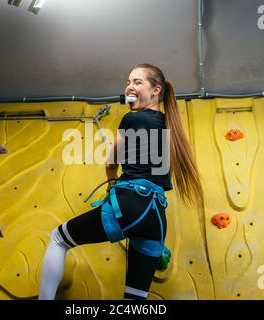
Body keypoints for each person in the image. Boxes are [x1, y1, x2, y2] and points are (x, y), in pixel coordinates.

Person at [38, 63, 204, 300]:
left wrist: (110, 183)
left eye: (137, 82)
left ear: (156, 90)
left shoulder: (131, 119)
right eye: (128, 82)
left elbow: (110, 162)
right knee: (134, 300)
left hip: (130, 203)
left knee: (58, 238)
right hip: (156, 218)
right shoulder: (170, 125)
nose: (129, 86)